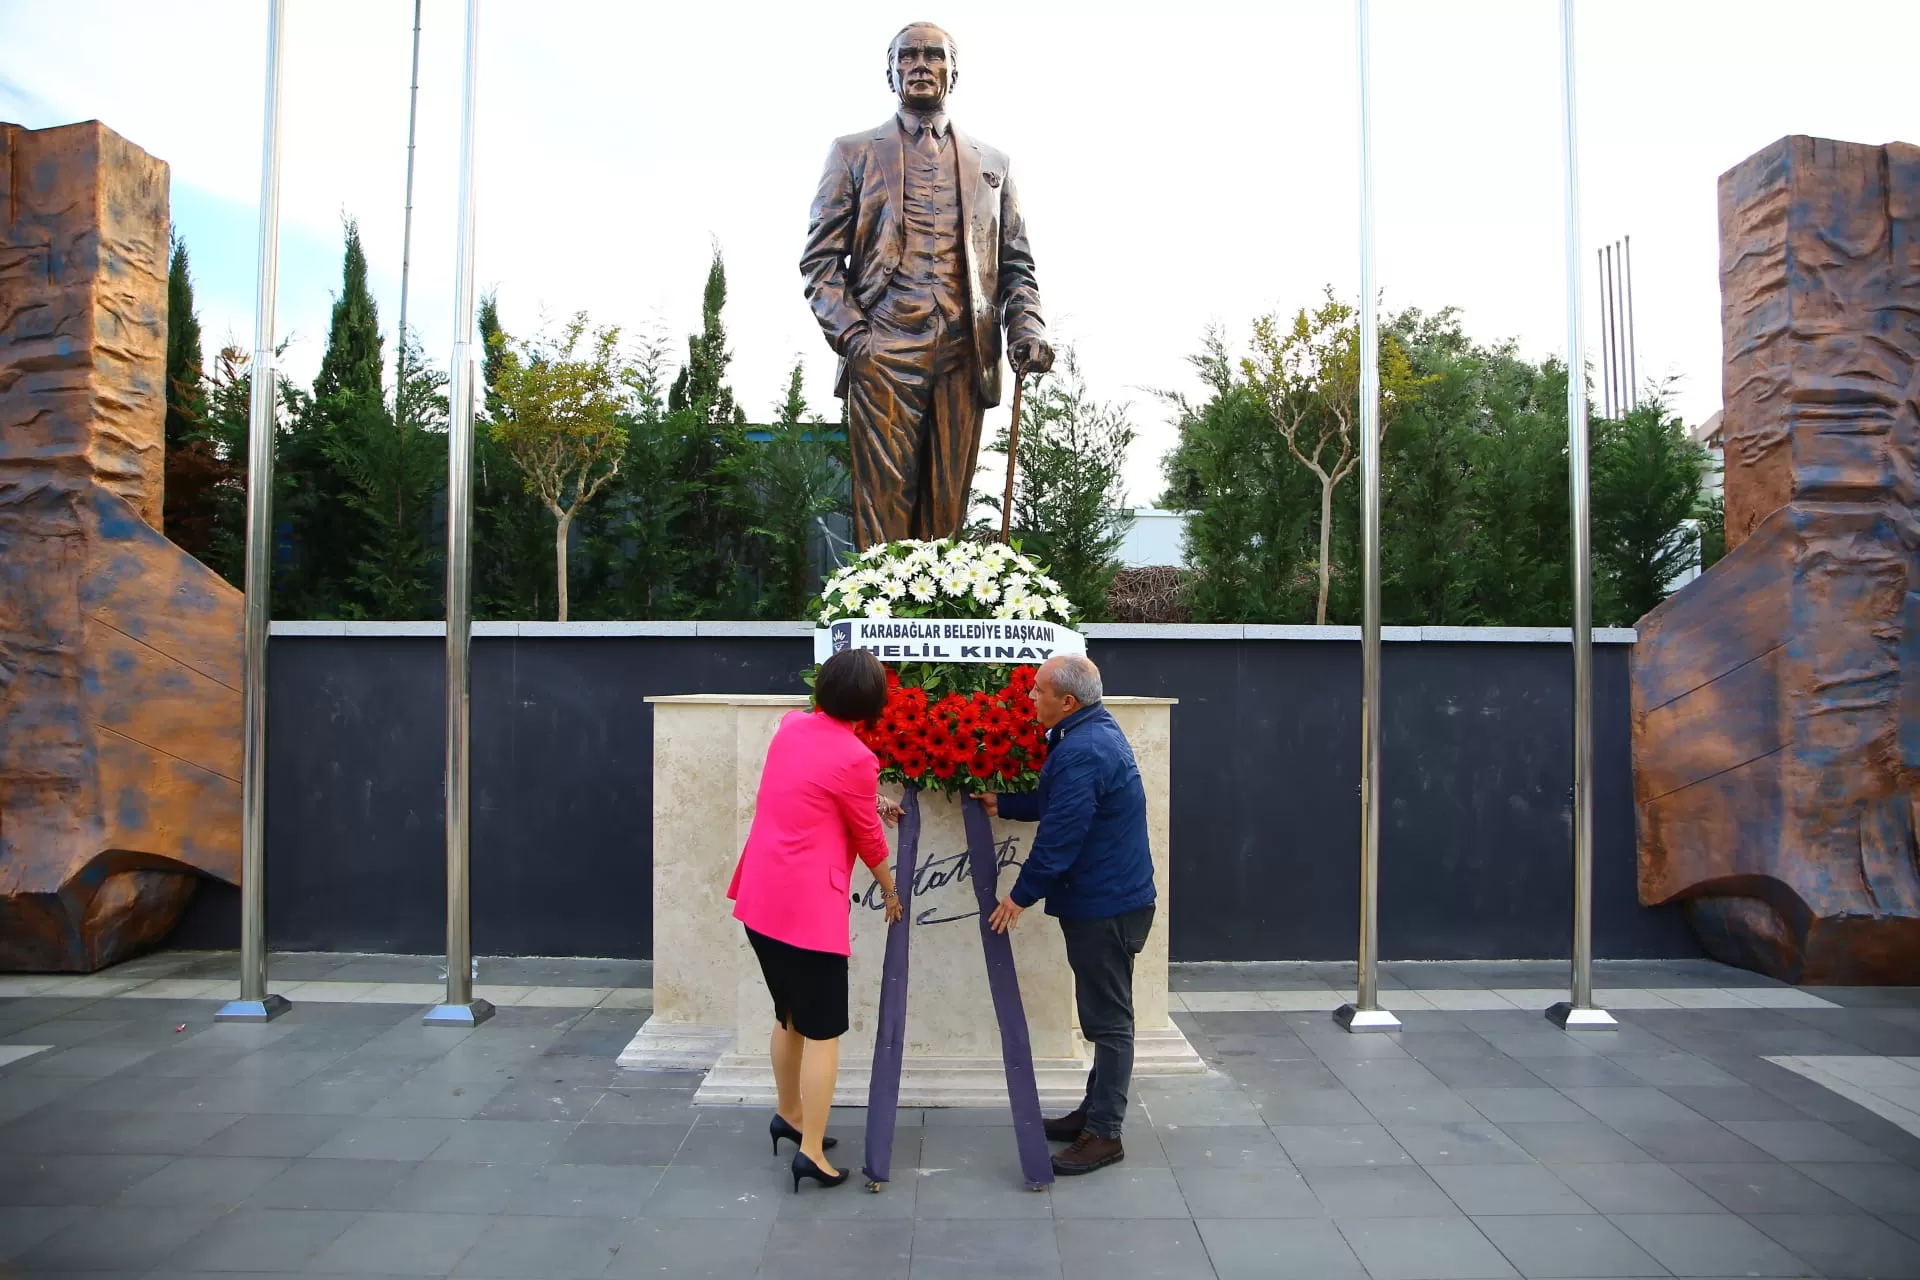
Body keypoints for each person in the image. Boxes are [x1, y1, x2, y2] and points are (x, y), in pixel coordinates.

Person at [800, 21, 1054, 548]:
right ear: (890, 73)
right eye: (908, 55)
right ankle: (881, 620)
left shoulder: (994, 165)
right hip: (884, 348)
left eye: (933, 55)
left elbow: (1015, 267)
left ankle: (940, 623)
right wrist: (854, 339)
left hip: (965, 351)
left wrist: (1026, 330)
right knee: (884, 508)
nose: (920, 64)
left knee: (947, 513)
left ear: (952, 73)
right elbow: (820, 262)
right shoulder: (852, 153)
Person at [727, 648, 905, 1192]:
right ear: (874, 704)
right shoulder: (857, 757)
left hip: (760, 898)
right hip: (807, 912)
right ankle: (811, 1153)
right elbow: (867, 838)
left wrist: (870, 799)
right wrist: (891, 890)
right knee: (825, 1030)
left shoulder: (791, 726)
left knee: (789, 1017)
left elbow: (815, 785)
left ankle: (791, 1114)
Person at [983, 654, 1155, 1175]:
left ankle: (1105, 1134)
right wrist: (1004, 804)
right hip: (1105, 900)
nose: (1030, 698)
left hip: (1106, 905)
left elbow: (1062, 835)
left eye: (1038, 692)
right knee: (1101, 1016)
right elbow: (1061, 803)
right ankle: (1092, 1113)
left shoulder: (1083, 748)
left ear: (1068, 701)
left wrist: (1019, 896)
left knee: (1110, 1021)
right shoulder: (1088, 734)